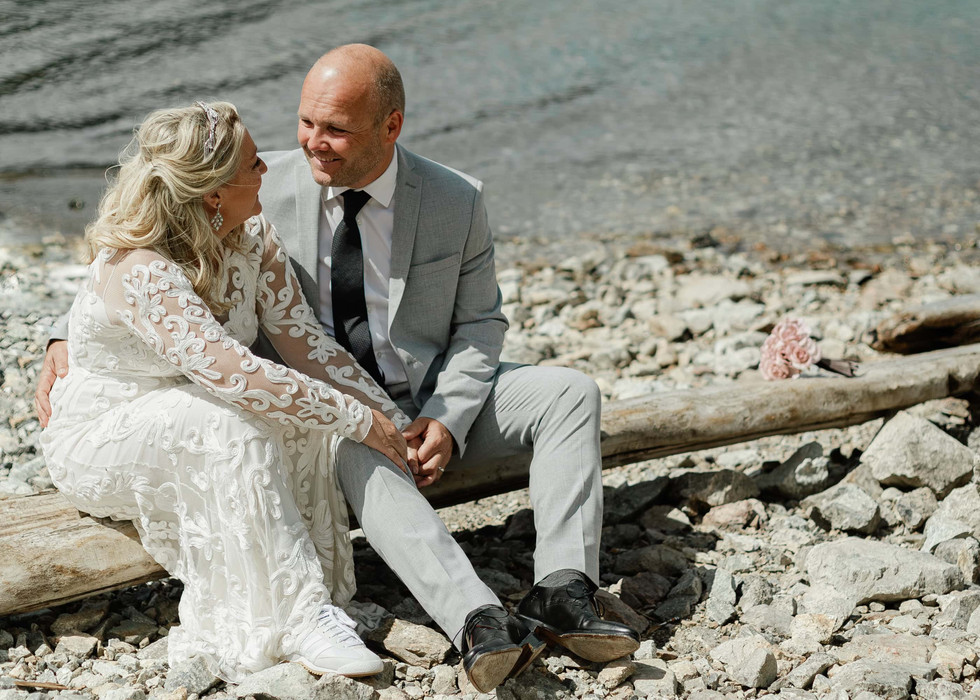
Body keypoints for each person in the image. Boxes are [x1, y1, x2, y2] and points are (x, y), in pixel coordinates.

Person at [37, 46, 640, 693]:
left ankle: (564, 590)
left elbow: (469, 326)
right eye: (304, 125)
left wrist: (431, 418)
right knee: (313, 434)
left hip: (408, 393)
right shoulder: (261, 195)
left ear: (391, 126)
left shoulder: (452, 199)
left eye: (334, 130)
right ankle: (473, 620)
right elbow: (136, 285)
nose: (304, 149)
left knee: (570, 391)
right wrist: (58, 337)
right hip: (258, 407)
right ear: (216, 189)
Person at [37, 101, 415, 682]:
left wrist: (389, 419)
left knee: (291, 412)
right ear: (213, 192)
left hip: (192, 404)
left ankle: (317, 588)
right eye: (254, 164)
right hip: (103, 434)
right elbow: (231, 371)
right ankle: (296, 618)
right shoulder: (142, 267)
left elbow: (305, 346)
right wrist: (357, 421)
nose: (267, 169)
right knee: (229, 417)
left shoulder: (250, 235)